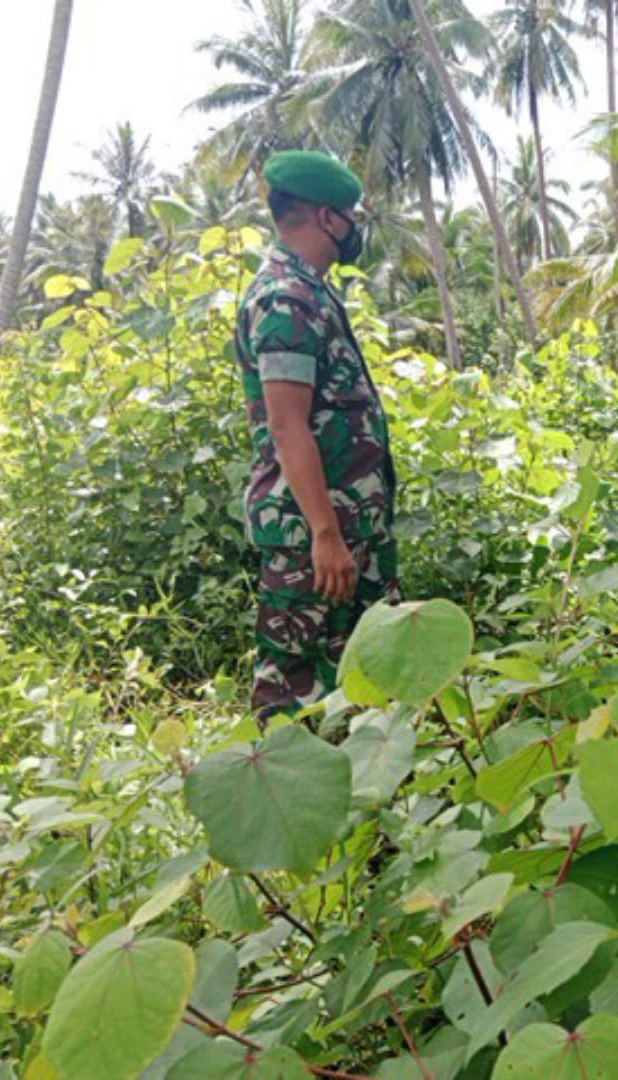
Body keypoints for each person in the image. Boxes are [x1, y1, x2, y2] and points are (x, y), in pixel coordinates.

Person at [235, 149, 398, 721]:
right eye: (349, 214)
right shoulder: (286, 298)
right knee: (292, 693)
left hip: (352, 530)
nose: (355, 227)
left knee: (367, 681)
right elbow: (286, 425)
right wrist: (325, 533)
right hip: (315, 537)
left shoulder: (313, 290)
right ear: (326, 217)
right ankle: (280, 805)